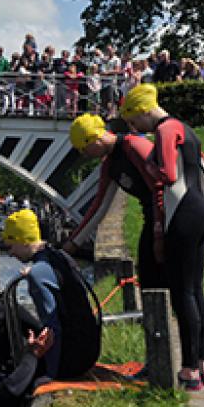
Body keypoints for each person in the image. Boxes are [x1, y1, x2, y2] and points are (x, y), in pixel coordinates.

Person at [121, 84, 204, 388]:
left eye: (135, 121)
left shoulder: (164, 129)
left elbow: (166, 176)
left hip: (182, 212)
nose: (136, 129)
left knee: (182, 292)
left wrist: (150, 165)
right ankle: (202, 362)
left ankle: (188, 369)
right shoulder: (186, 129)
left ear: (144, 110)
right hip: (200, 208)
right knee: (196, 290)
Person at [64, 114, 164, 290]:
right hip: (153, 216)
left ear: (95, 139)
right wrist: (73, 244)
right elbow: (99, 207)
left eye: (84, 148)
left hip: (166, 214)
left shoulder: (134, 147)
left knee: (163, 276)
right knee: (148, 274)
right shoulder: (110, 165)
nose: (84, 155)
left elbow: (161, 185)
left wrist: (159, 230)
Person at [1, 209, 101, 380]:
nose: (10, 253)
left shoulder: (37, 274)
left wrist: (51, 375)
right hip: (90, 348)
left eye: (10, 246)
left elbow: (53, 329)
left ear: (24, 241)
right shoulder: (60, 256)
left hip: (71, 361)